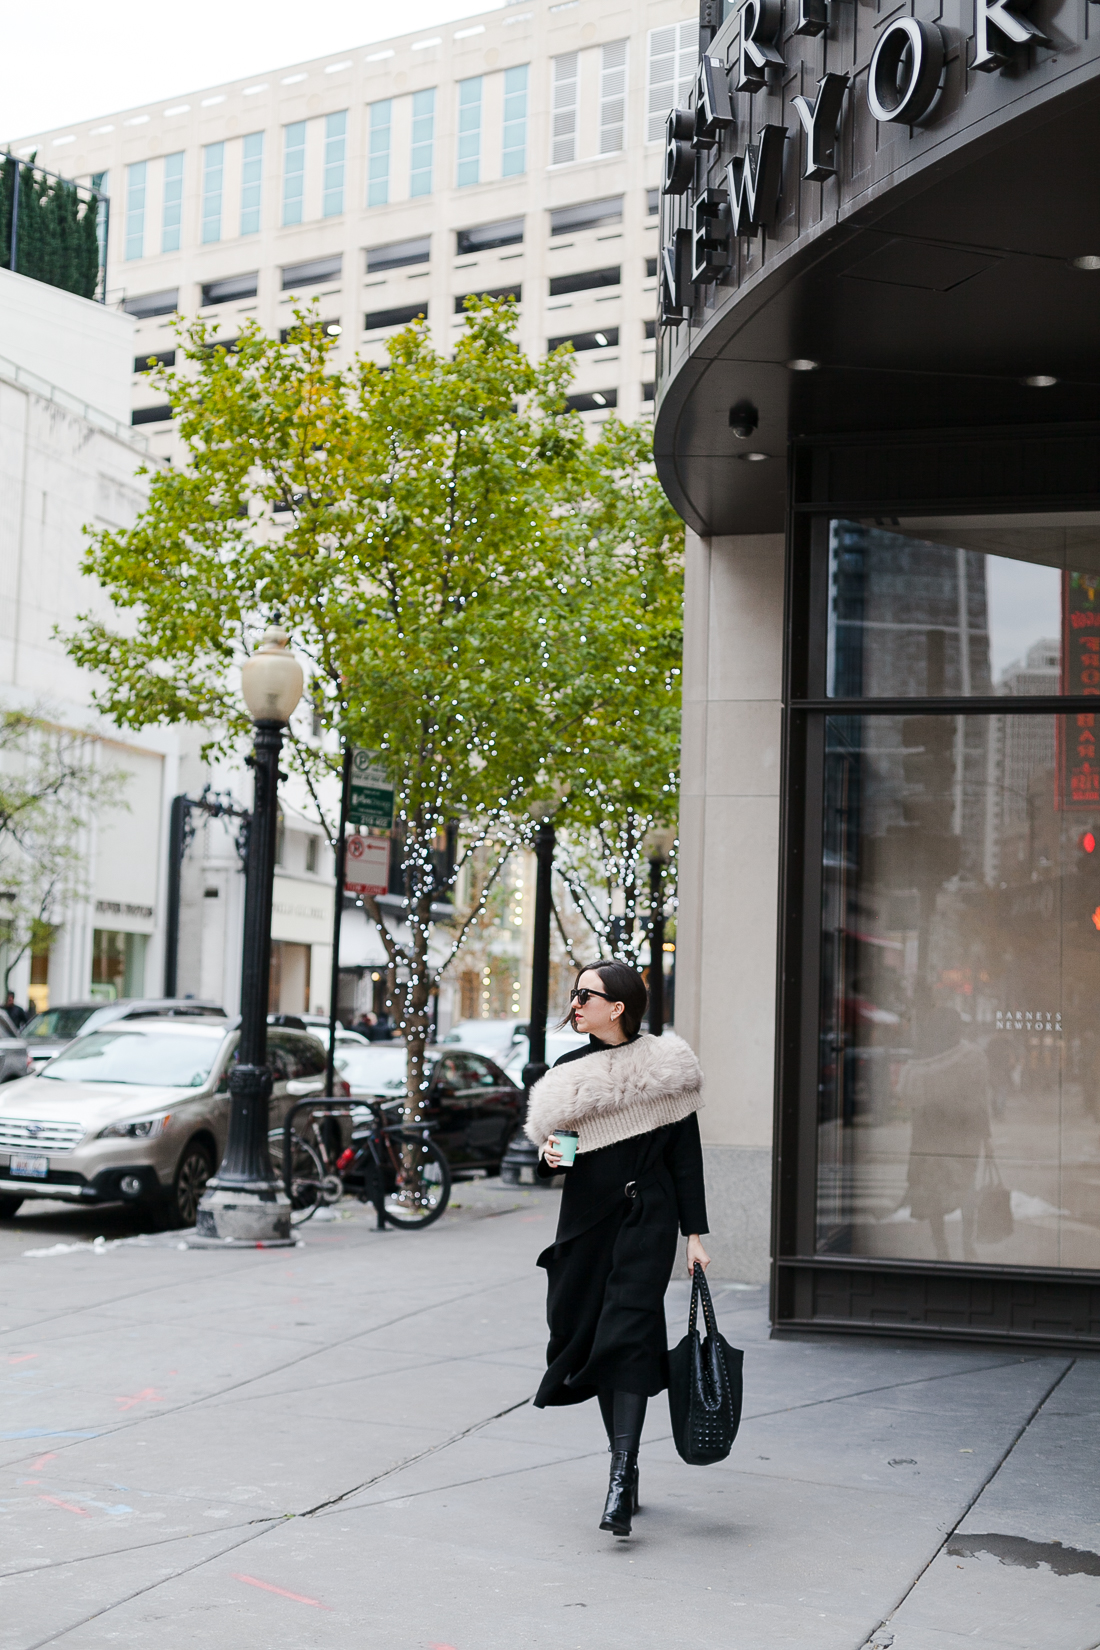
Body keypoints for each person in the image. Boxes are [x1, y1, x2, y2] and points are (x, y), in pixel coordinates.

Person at [525, 959, 709, 1539]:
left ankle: (621, 1475)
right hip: (586, 1223)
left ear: (618, 1007)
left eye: (586, 994)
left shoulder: (666, 1067)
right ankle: (622, 1462)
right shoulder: (570, 1070)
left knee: (629, 1331)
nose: (575, 1003)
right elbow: (569, 1147)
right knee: (594, 1335)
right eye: (575, 994)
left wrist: (695, 1237)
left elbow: (686, 1158)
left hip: (646, 1219)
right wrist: (552, 1156)